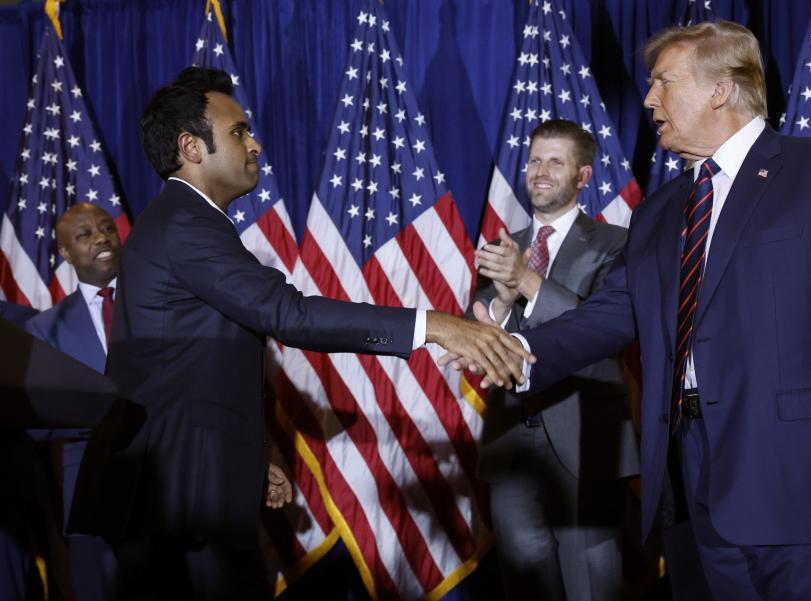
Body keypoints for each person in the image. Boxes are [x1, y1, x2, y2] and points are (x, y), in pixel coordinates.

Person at [465, 20, 811, 599]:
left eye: (663, 82)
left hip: (810, 483)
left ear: (720, 89)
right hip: (692, 482)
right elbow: (612, 311)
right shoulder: (660, 210)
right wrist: (514, 349)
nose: (650, 99)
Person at [71, 66, 528, 601]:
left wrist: (254, 450)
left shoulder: (185, 222)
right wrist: (436, 326)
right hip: (177, 503)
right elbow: (290, 315)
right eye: (239, 131)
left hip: (187, 489)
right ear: (191, 147)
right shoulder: (183, 224)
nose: (255, 143)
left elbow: (188, 364)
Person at [471, 119, 638, 600]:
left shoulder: (617, 245)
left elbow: (604, 330)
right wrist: (501, 303)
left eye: (555, 162)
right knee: (524, 583)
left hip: (586, 434)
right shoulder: (504, 247)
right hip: (510, 443)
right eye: (534, 160)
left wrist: (525, 281)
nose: (540, 171)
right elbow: (479, 329)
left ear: (582, 177)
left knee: (593, 583)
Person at [25, 203, 121, 601]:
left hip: (169, 484)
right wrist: (108, 414)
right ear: (65, 252)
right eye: (84, 234)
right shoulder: (45, 330)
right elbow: (35, 418)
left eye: (106, 228)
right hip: (92, 492)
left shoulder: (162, 302)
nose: (100, 237)